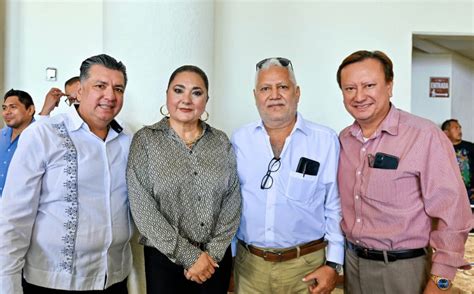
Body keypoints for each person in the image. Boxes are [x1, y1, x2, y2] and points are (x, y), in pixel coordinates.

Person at [337, 50, 472, 294]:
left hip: (404, 270)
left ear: (389, 86)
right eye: (349, 88)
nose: (359, 96)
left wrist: (441, 282)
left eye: (369, 85)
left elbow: (453, 212)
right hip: (353, 266)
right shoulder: (344, 140)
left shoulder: (425, 136)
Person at [0, 54, 132, 293]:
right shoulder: (43, 134)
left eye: (118, 88)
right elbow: (14, 216)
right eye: (100, 86)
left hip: (112, 278)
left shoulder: (127, 140)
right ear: (79, 92)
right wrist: (8, 284)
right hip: (52, 282)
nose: (110, 96)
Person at [231, 57, 344, 294]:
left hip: (307, 267)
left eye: (282, 87)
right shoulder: (239, 140)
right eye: (265, 88)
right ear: (255, 96)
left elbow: (335, 206)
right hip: (250, 267)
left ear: (297, 92)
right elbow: (230, 203)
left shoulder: (325, 140)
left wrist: (334, 264)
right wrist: (231, 259)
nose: (274, 95)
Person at [127, 65, 241, 293]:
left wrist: (211, 255)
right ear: (167, 94)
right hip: (164, 260)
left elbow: (232, 201)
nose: (186, 99)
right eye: (179, 90)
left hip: (214, 261)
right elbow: (143, 209)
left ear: (206, 99)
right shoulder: (146, 141)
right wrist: (190, 257)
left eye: (196, 93)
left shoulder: (220, 141)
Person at [0, 89, 35, 196]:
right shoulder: (1, 135)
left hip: (24, 207)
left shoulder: (40, 137)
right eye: (4, 108)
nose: (7, 112)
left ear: (30, 110)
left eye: (13, 107)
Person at [442, 119, 474, 204]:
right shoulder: (440, 149)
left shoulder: (470, 147)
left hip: (470, 192)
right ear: (446, 132)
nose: (459, 130)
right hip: (450, 194)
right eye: (455, 128)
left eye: (460, 128)